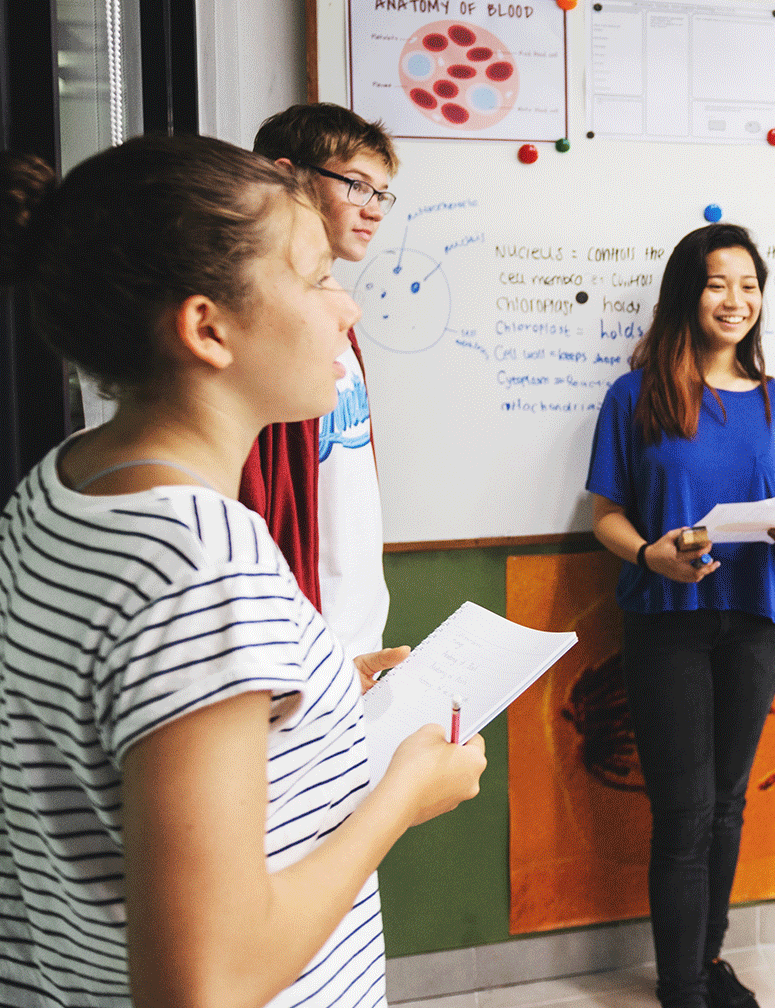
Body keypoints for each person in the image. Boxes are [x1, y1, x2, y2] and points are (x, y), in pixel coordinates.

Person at [0, 134, 486, 1007]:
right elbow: (208, 982)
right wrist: (402, 797)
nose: (348, 309)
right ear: (207, 328)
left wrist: (312, 680)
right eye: (315, 278)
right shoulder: (202, 563)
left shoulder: (64, 482)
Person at [585, 223, 775, 1008]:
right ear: (688, 292)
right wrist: (650, 554)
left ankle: (708, 959)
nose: (736, 300)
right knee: (684, 812)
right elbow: (606, 516)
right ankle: (680, 985)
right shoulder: (635, 395)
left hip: (757, 615)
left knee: (726, 803)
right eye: (719, 284)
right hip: (667, 617)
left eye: (749, 286)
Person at [240, 102, 398, 672]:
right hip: (299, 647)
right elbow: (259, 496)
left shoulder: (337, 322)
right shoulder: (266, 321)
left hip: (355, 630)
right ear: (286, 176)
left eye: (382, 194)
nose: (373, 209)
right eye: (357, 186)